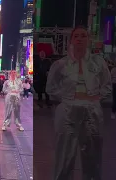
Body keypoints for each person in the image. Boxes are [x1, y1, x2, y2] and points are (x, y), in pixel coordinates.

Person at [46, 26, 112, 180]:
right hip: (67, 111)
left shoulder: (98, 63)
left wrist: (97, 98)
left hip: (92, 111)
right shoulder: (61, 64)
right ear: (71, 40)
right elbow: (51, 87)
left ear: (88, 40)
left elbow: (107, 85)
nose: (80, 39)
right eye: (76, 36)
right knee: (64, 155)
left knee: (92, 156)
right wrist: (66, 98)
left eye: (83, 36)